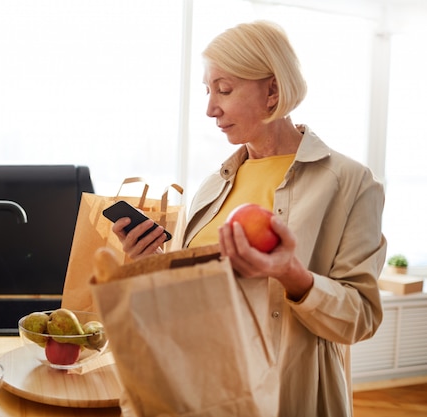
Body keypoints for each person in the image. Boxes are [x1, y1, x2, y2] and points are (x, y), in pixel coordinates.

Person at [112, 20, 386, 417]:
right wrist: (144, 263)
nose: (210, 109)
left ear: (273, 90)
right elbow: (184, 300)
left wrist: (292, 274)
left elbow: (360, 318)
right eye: (208, 91)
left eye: (224, 89)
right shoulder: (210, 187)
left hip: (280, 398)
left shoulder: (350, 183)